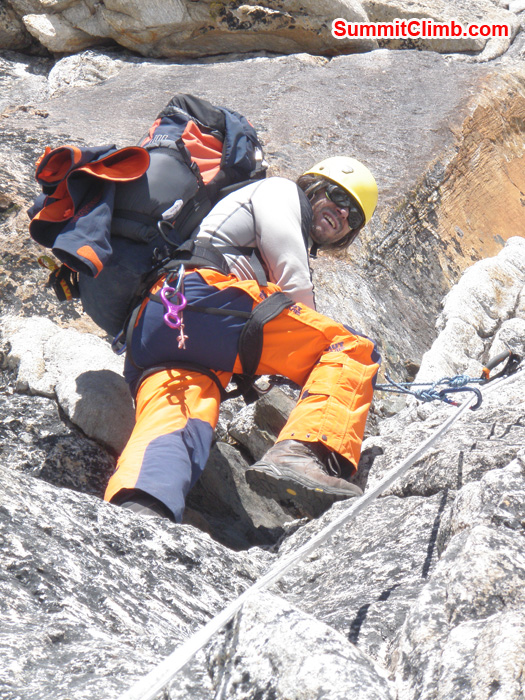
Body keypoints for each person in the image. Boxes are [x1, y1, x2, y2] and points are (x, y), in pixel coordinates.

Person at [104, 156, 381, 521]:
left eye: (354, 218)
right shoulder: (281, 191)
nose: (343, 213)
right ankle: (305, 452)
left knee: (181, 418)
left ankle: (139, 507)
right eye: (337, 196)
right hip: (202, 301)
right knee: (350, 349)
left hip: (161, 325)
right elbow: (294, 281)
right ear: (311, 187)